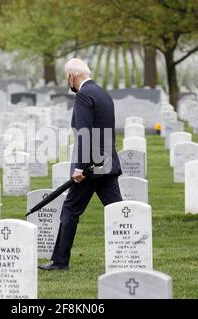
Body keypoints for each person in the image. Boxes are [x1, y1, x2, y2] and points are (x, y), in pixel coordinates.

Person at [38, 58, 122, 271]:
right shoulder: (103, 93)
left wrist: (80, 167)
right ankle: (131, 253)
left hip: (90, 168)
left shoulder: (84, 95)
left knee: (70, 210)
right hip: (107, 163)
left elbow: (84, 132)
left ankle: (59, 262)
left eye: (67, 78)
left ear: (71, 76)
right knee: (119, 210)